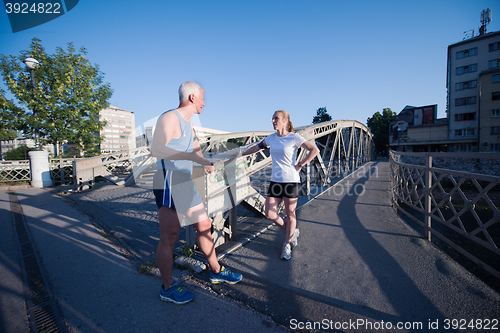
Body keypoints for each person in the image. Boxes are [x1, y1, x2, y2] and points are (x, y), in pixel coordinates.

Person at [151, 81, 242, 304]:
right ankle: (167, 287)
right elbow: (156, 148)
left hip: (185, 181)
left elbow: (195, 149)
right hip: (170, 181)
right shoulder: (170, 117)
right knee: (169, 238)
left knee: (204, 226)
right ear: (192, 97)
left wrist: (204, 163)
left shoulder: (189, 124)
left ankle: (216, 270)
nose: (203, 102)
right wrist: (192, 158)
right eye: (202, 98)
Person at [239, 110, 319, 260]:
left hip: (291, 181)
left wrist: (300, 164)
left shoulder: (294, 137)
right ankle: (291, 231)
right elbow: (256, 148)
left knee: (290, 214)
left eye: (276, 118)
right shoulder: (271, 138)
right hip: (275, 181)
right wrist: (240, 154)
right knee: (270, 213)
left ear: (285, 120)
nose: (273, 121)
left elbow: (314, 150)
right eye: (272, 119)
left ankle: (287, 243)